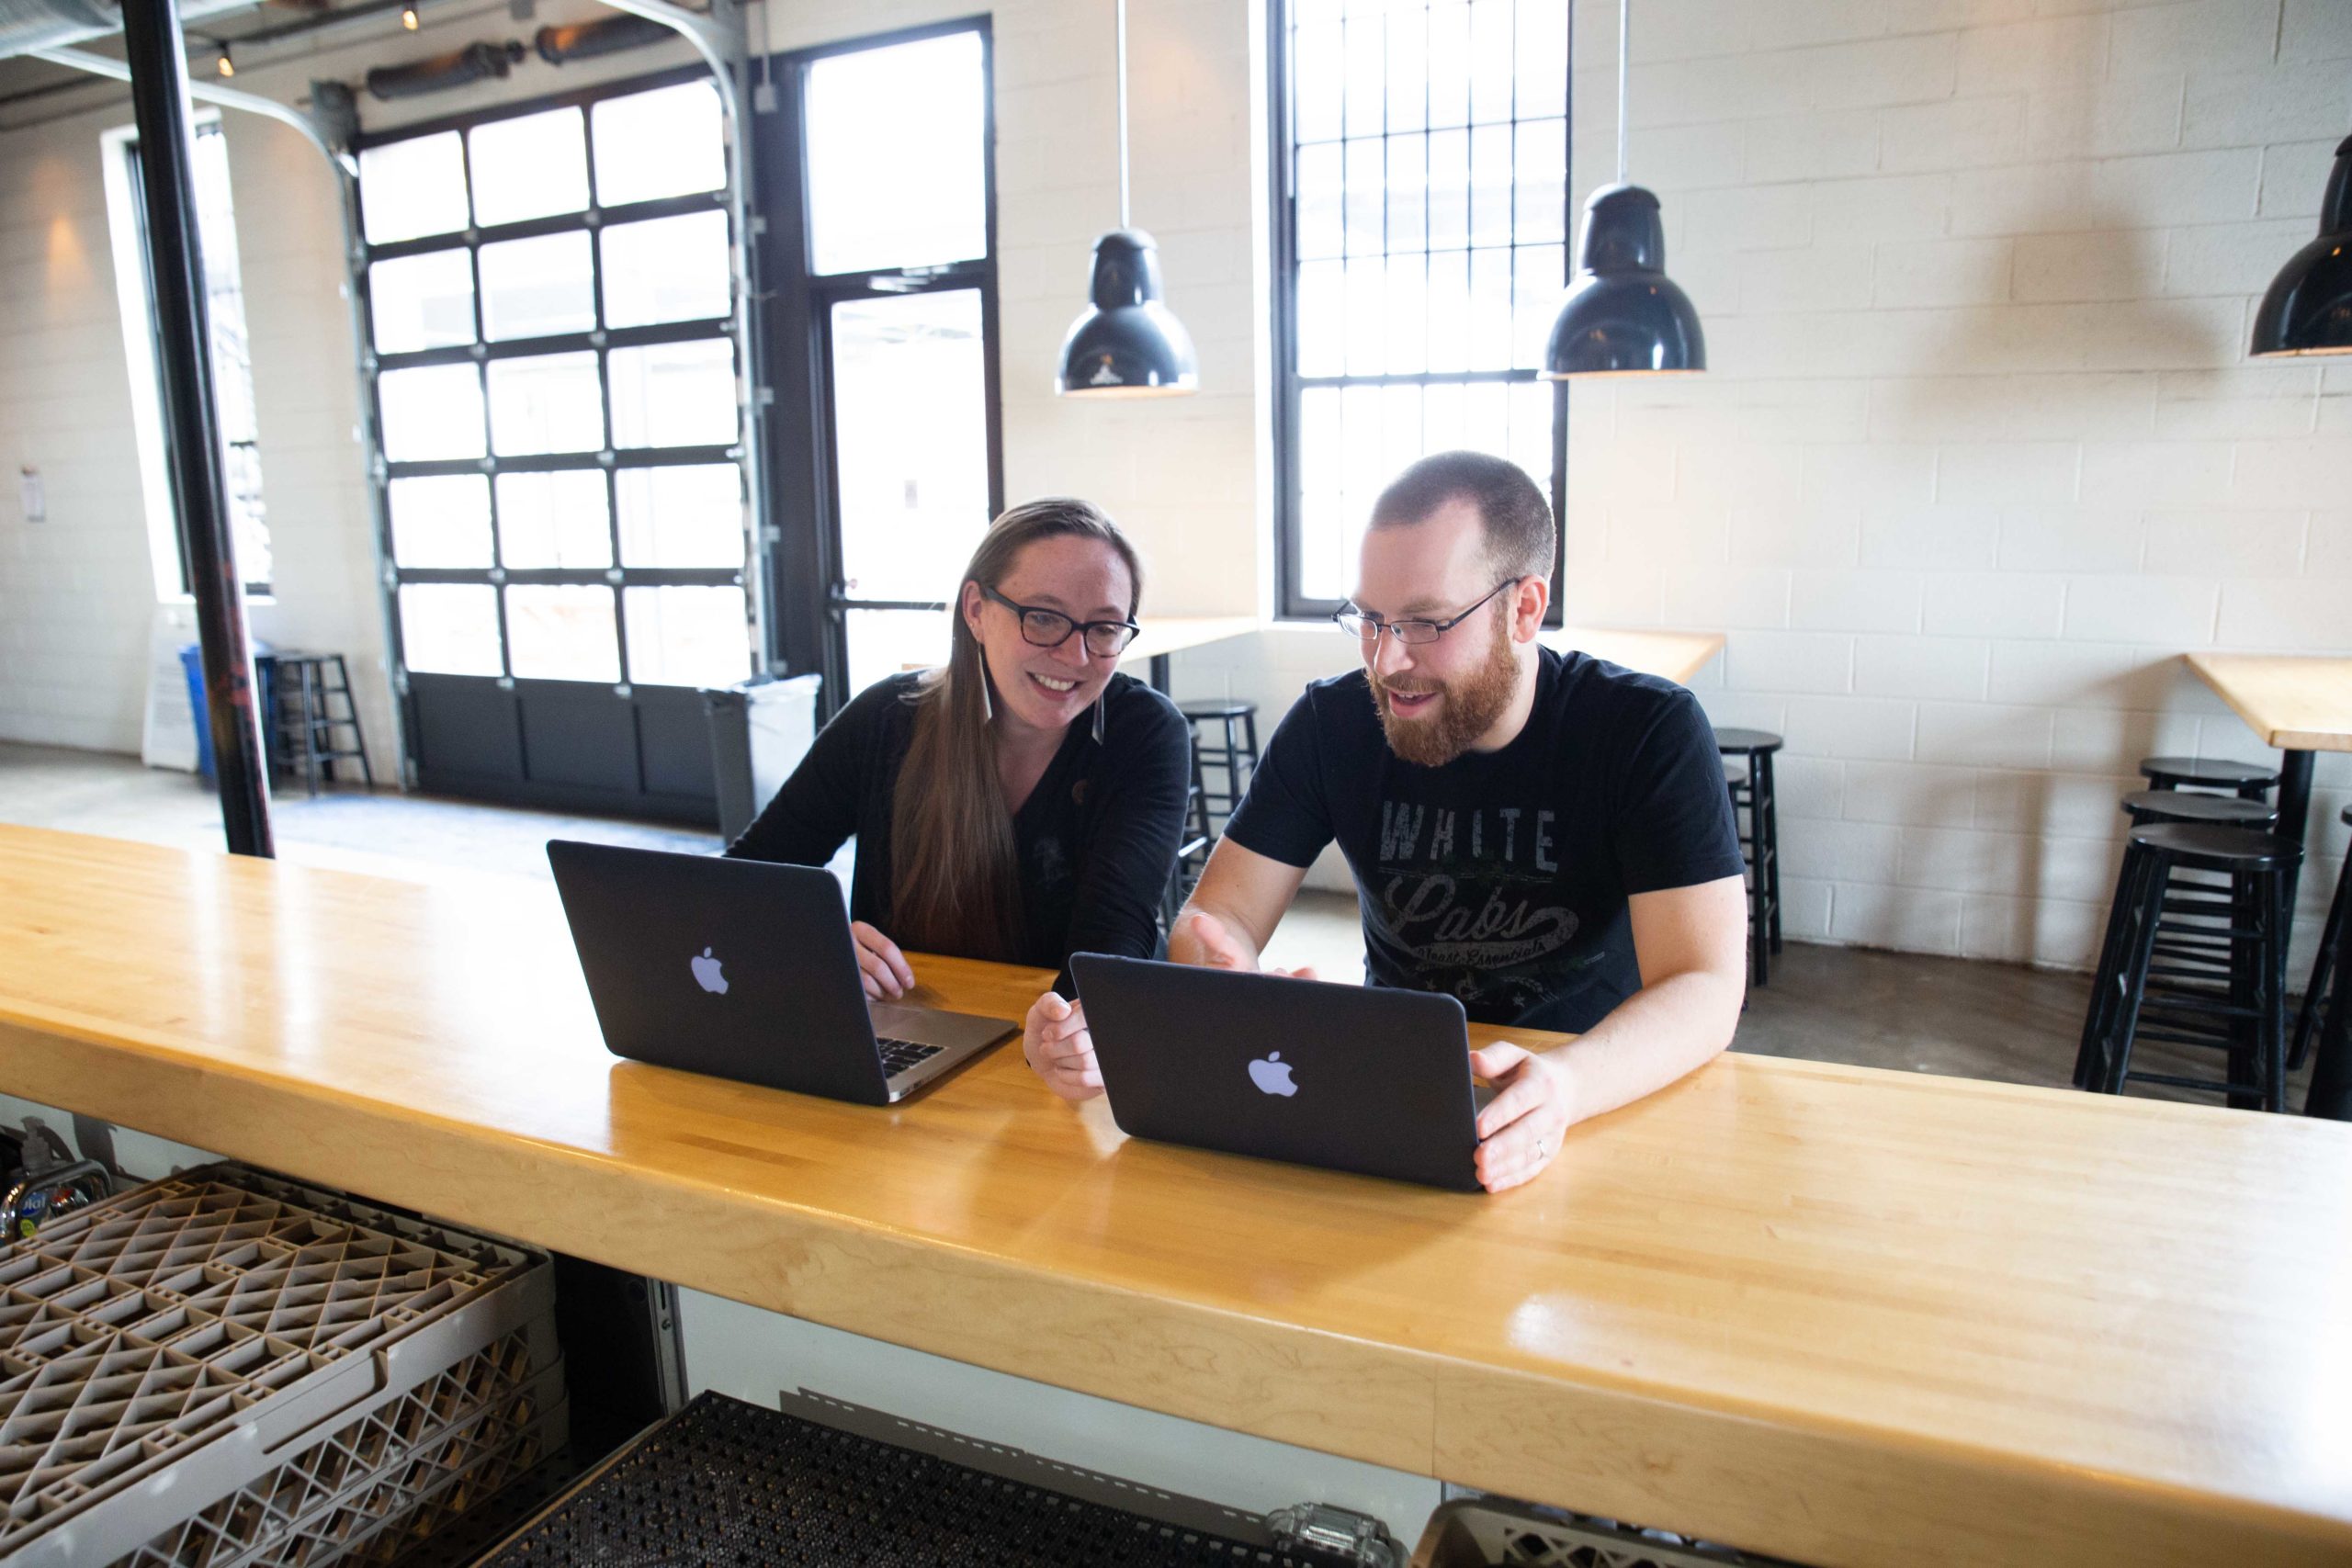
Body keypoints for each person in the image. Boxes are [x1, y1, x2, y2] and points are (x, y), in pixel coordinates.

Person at [1024, 452, 1749, 1190]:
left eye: (1426, 622)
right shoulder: (1332, 724)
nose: (1387, 659)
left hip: (1595, 1088)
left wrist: (1566, 1083)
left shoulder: (1643, 730)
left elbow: (1706, 983)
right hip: (1386, 1098)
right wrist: (1231, 985)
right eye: (1369, 619)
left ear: (1525, 608)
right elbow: (1216, 916)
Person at [726, 499, 1192, 1032]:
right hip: (911, 1032)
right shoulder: (887, 719)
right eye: (1042, 617)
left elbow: (1111, 946)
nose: (1075, 656)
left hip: (1069, 1042)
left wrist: (1065, 1033)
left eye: (1105, 628)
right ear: (976, 610)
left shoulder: (1144, 734)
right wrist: (812, 941)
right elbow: (746, 876)